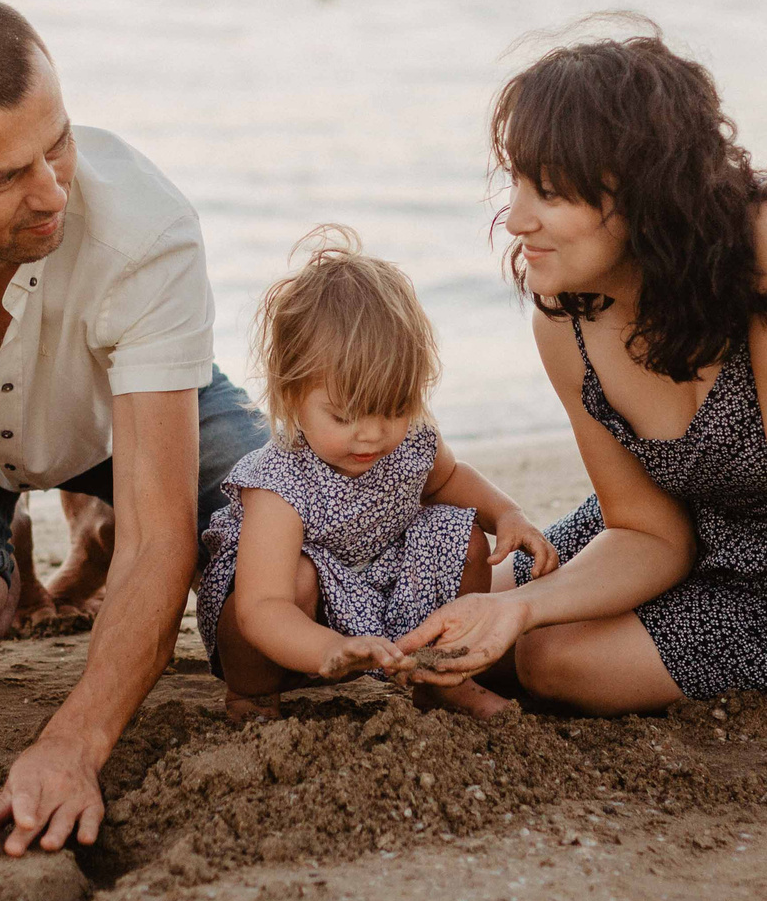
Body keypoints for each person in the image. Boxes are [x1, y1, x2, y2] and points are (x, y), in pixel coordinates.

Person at [398, 22, 767, 820]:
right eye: (516, 183)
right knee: (451, 606)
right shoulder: (564, 321)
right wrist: (517, 605)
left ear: (641, 188)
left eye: (550, 190)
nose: (515, 220)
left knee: (550, 660)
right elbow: (648, 531)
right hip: (703, 528)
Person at [0, 0, 268, 855]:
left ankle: (92, 511)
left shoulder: (145, 230)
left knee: (278, 573)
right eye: (4, 178)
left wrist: (73, 745)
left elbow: (163, 542)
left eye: (58, 142)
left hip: (130, 421)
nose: (51, 190)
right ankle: (17, 547)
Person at [196, 226, 559, 721]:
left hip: (379, 584)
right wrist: (326, 648)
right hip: (286, 615)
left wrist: (508, 514)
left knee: (466, 538)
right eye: (344, 417)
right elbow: (262, 608)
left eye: (392, 408)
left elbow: (451, 480)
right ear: (291, 395)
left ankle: (443, 677)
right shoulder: (278, 482)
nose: (370, 435)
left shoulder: (408, 442)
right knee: (297, 581)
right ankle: (253, 695)